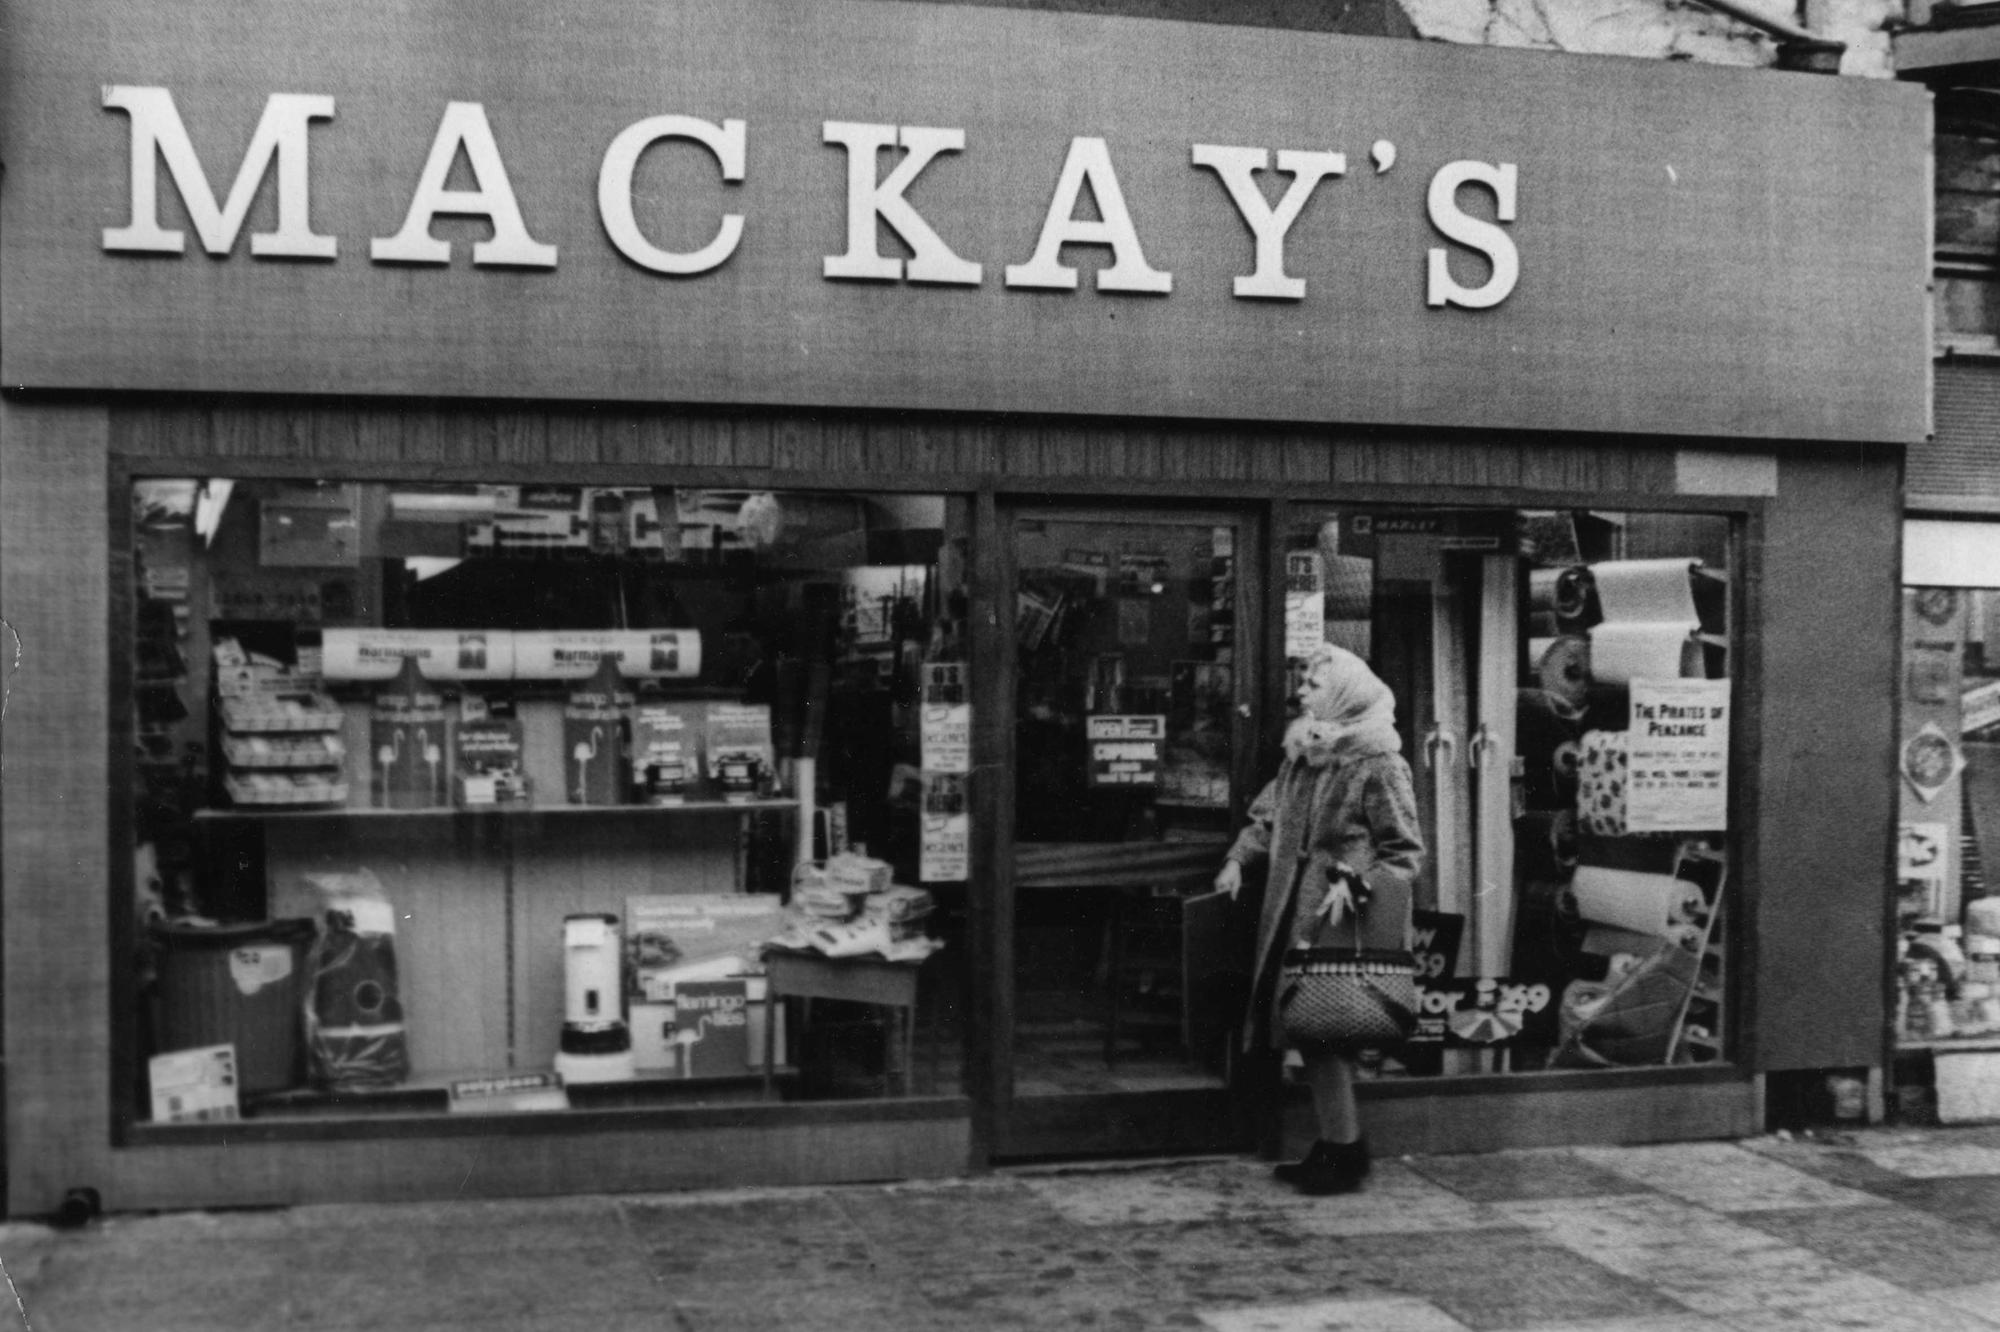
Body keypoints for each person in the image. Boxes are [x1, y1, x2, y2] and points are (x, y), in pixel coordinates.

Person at [1213, 642, 1424, 1195]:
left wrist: (1358, 885)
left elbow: (1404, 851)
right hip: (1291, 912)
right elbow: (1267, 816)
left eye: (1312, 684)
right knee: (1311, 1031)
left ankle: (1343, 1150)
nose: (1301, 693)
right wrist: (1239, 859)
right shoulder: (1303, 753)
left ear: (1344, 693)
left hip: (1336, 919)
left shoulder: (1379, 761)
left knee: (1323, 1030)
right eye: (1303, 683)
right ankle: (1340, 1146)